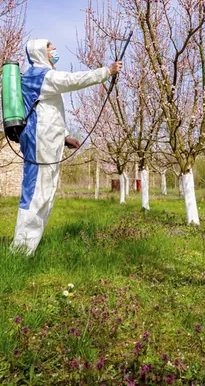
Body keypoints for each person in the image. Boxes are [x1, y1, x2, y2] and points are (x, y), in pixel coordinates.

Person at [12, 39, 122, 254]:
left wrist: (64, 137)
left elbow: (47, 112)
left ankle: (28, 249)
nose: (54, 49)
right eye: (49, 47)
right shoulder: (38, 75)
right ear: (39, 52)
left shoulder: (42, 77)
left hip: (48, 144)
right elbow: (72, 80)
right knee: (36, 195)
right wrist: (106, 71)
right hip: (38, 144)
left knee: (46, 195)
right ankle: (20, 252)